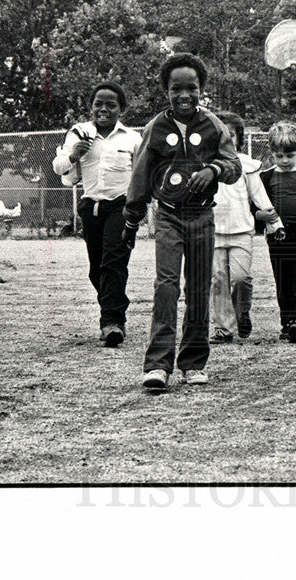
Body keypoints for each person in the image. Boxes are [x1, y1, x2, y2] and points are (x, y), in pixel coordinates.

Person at [122, 54, 242, 390]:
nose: (184, 95)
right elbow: (141, 175)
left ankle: (193, 362)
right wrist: (132, 218)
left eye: (192, 88)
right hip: (169, 217)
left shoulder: (214, 126)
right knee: (166, 286)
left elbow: (233, 165)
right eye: (177, 89)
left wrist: (213, 169)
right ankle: (159, 364)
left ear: (201, 89)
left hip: (202, 217)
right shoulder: (156, 128)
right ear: (167, 91)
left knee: (199, 288)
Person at [52, 81, 142, 347]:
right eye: (98, 104)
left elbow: (140, 174)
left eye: (111, 105)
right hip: (91, 207)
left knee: (114, 262)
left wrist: (138, 207)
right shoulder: (79, 133)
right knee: (97, 269)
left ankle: (111, 323)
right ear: (91, 107)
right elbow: (59, 169)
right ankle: (116, 309)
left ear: (121, 109)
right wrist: (73, 156)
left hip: (122, 206)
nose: (103, 109)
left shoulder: (132, 139)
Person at [209, 111, 284, 344]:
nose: (225, 139)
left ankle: (242, 312)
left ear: (238, 138)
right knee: (218, 279)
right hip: (213, 232)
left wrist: (276, 224)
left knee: (241, 278)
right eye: (219, 134)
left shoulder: (247, 165)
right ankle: (224, 328)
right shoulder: (206, 165)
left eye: (230, 134)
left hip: (241, 231)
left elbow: (260, 197)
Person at [259, 120, 296, 343]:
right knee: (282, 278)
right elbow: (259, 205)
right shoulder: (265, 177)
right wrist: (263, 220)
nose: (285, 161)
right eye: (279, 156)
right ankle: (287, 321)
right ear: (271, 153)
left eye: (290, 155)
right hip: (277, 234)